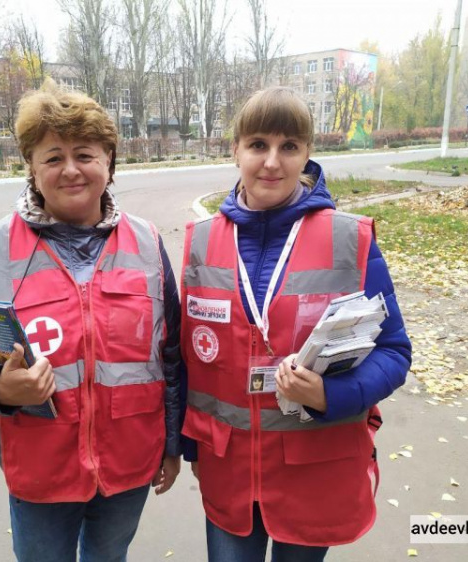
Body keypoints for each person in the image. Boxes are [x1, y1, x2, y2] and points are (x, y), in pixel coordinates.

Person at [0, 79, 182, 562]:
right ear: (31, 166)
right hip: (40, 473)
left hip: (129, 466)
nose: (70, 170)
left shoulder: (148, 244)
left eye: (85, 154)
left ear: (109, 161)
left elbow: (170, 354)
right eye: (53, 157)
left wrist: (171, 442)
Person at [180, 86, 412, 561]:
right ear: (236, 150)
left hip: (314, 472)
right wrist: (189, 449)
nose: (272, 162)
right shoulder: (200, 242)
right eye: (258, 144)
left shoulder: (349, 238)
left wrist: (331, 396)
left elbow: (394, 351)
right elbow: (187, 359)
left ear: (307, 153)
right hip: (230, 474)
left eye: (289, 147)